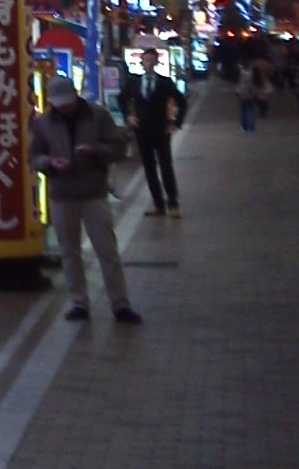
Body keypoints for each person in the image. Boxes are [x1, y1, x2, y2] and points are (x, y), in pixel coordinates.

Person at [30, 74, 141, 325]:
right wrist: (50, 163)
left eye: (67, 101)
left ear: (75, 94)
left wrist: (96, 151)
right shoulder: (44, 123)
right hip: (62, 195)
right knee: (69, 252)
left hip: (93, 193)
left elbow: (117, 148)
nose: (65, 107)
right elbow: (34, 155)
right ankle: (79, 303)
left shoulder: (97, 115)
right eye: (59, 103)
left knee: (107, 250)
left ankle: (120, 304)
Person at [120, 48, 185, 218]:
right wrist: (128, 116)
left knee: (165, 166)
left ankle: (173, 203)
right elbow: (121, 98)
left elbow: (181, 101)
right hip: (142, 131)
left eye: (151, 60)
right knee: (149, 168)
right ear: (141, 62)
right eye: (145, 60)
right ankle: (158, 203)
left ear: (156, 62)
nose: (148, 63)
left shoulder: (164, 82)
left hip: (161, 130)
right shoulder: (134, 82)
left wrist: (176, 123)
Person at [237, 62, 257, 132]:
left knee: (243, 110)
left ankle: (244, 126)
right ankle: (250, 127)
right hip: (250, 91)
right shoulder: (252, 71)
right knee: (250, 110)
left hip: (242, 91)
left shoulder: (240, 70)